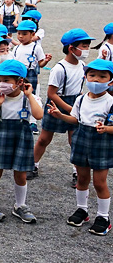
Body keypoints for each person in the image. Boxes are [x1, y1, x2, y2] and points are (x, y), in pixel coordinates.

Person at [48, 58, 113, 235]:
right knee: (82, 179)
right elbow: (75, 120)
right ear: (85, 77)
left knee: (100, 183)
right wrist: (59, 115)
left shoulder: (110, 101)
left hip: (102, 143)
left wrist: (106, 128)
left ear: (110, 81)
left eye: (102, 76)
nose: (96, 80)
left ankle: (103, 217)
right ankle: (82, 210)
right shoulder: (81, 99)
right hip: (81, 139)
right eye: (92, 75)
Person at [0, 60, 44, 223]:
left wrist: (29, 96)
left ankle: (20, 205)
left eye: (7, 80)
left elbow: (39, 115)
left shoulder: (29, 98)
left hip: (21, 137)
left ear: (20, 82)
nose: (2, 84)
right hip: (0, 135)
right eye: (0, 80)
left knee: (20, 174)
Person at [31, 28, 92, 185]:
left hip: (75, 103)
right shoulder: (59, 68)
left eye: (87, 46)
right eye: (84, 46)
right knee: (44, 139)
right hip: (56, 104)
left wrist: (77, 106)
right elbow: (52, 93)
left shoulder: (83, 65)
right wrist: (69, 108)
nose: (87, 50)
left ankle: (76, 172)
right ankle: (32, 165)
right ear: (71, 48)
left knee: (75, 140)